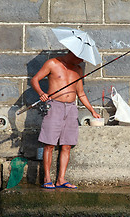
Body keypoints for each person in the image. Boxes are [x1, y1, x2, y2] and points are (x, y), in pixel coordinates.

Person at [30, 51, 101, 189]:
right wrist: (41, 93)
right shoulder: (52, 63)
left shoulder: (78, 69)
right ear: (73, 53)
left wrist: (92, 110)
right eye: (80, 57)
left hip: (71, 108)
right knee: (49, 144)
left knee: (67, 145)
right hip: (54, 106)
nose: (81, 61)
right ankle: (47, 178)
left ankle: (61, 179)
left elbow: (81, 93)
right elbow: (34, 80)